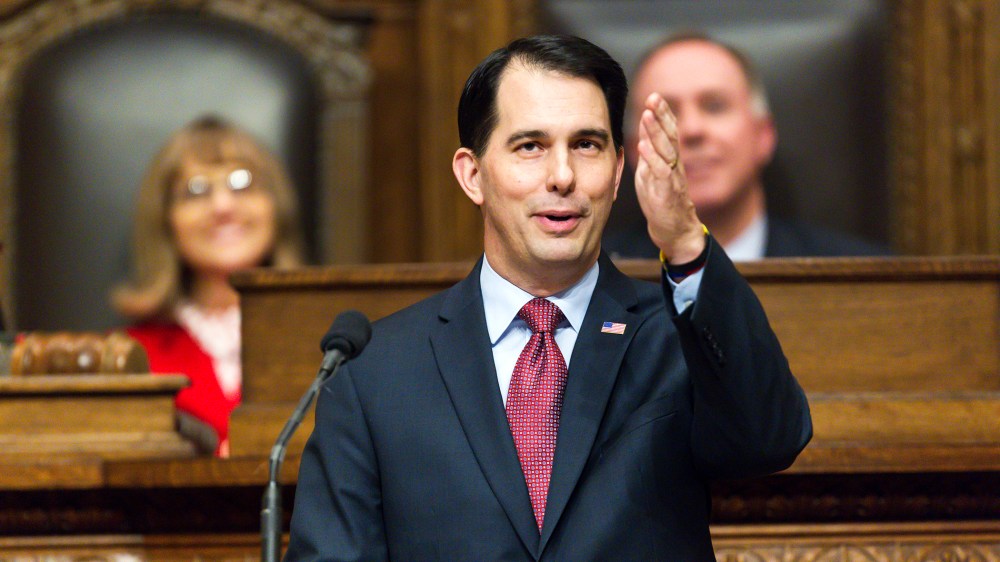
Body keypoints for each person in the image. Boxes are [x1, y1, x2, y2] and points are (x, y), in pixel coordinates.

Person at [286, 35, 811, 559]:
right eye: (530, 146)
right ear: (473, 175)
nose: (562, 177)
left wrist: (684, 242)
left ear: (618, 170)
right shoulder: (375, 371)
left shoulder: (676, 336)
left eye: (587, 145)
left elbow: (771, 438)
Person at [112, 116, 305, 457]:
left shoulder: (327, 346)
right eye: (196, 191)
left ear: (276, 208)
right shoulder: (131, 358)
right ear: (165, 221)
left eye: (242, 184)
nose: (223, 206)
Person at [603, 32, 889, 260]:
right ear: (634, 149)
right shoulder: (593, 279)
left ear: (763, 135)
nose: (691, 130)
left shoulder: (860, 274)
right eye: (666, 112)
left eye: (715, 106)